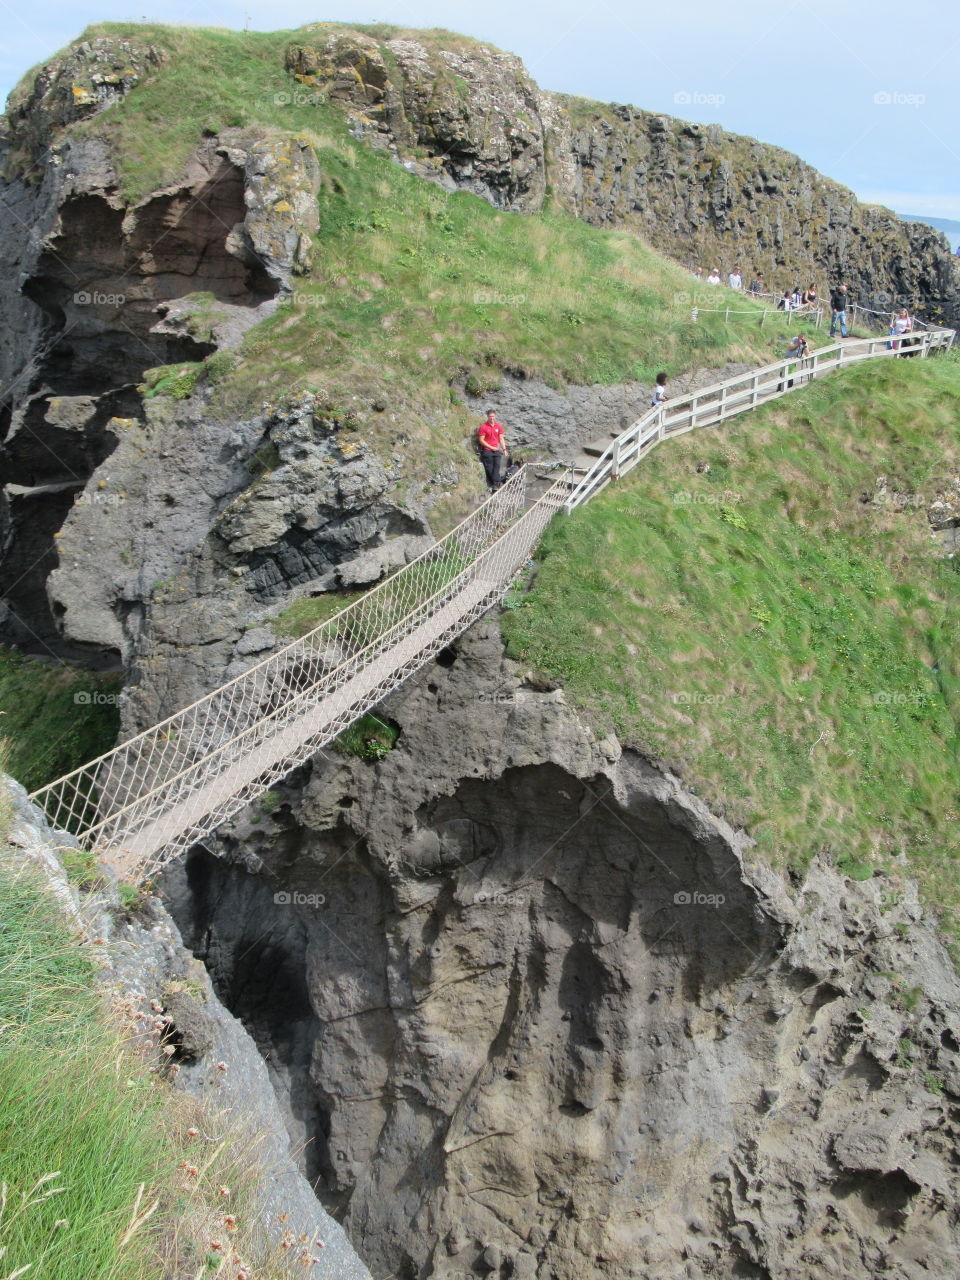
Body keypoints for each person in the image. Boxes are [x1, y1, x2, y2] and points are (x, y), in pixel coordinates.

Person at [477, 409, 508, 491]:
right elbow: (481, 440)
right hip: (487, 450)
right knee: (490, 468)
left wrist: (504, 449)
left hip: (496, 450)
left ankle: (496, 484)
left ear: (495, 416)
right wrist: (491, 447)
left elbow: (501, 438)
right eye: (490, 416)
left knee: (496, 467)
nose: (492, 418)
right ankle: (497, 484)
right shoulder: (483, 427)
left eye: (493, 416)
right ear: (487, 416)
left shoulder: (498, 426)